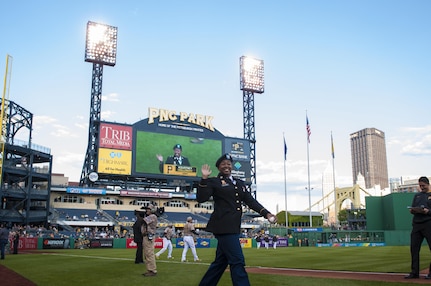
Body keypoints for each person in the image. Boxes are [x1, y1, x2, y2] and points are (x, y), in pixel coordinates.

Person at [197, 153, 277, 286]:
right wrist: (204, 179)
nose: (226, 166)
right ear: (218, 167)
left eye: (228, 164)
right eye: (223, 164)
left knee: (220, 262)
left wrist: (267, 214)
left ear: (232, 166)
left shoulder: (239, 183)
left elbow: (251, 202)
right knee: (237, 260)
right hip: (223, 226)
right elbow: (201, 198)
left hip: (233, 226)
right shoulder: (214, 181)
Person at [405, 176, 431, 279]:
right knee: (414, 249)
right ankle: (414, 272)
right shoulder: (417, 196)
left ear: (428, 184)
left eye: (423, 186)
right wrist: (413, 210)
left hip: (428, 224)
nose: (421, 188)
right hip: (417, 224)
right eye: (420, 186)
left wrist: (427, 211)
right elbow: (413, 207)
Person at [141, 204, 158, 277]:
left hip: (149, 236)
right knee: (147, 254)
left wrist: (141, 215)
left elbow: (144, 221)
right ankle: (149, 269)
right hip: (146, 236)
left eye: (148, 209)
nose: (147, 210)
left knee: (149, 253)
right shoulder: (149, 216)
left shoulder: (153, 216)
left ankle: (152, 270)